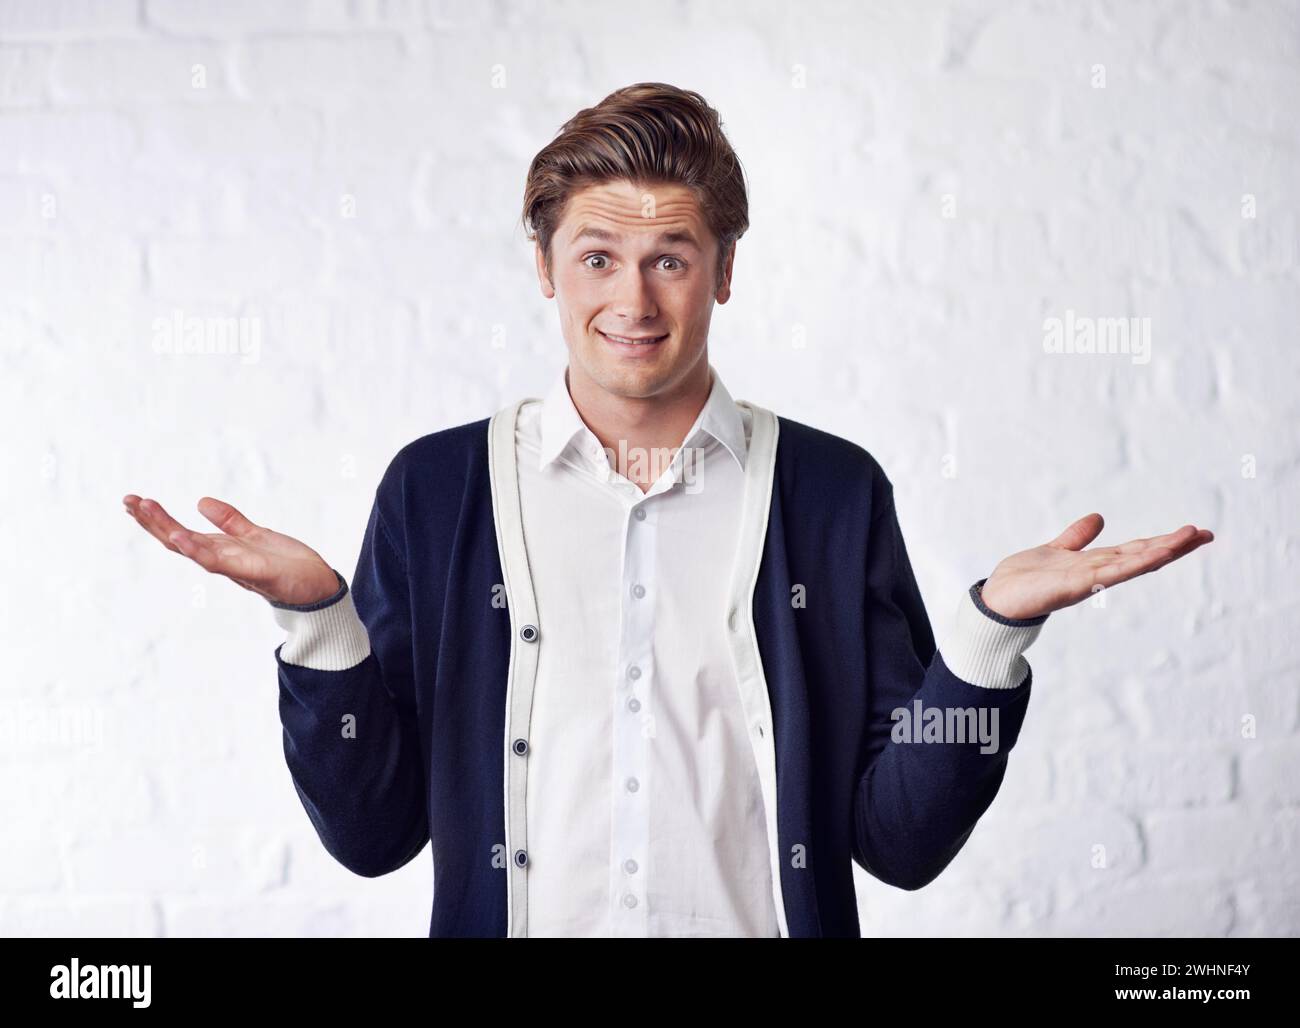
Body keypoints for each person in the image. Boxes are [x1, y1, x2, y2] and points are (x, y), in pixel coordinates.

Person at [124, 82, 1213, 938]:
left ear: (723, 271)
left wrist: (987, 637)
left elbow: (897, 839)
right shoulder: (438, 488)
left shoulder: (831, 493)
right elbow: (374, 831)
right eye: (597, 257)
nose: (632, 301)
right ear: (545, 269)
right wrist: (322, 626)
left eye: (670, 259)